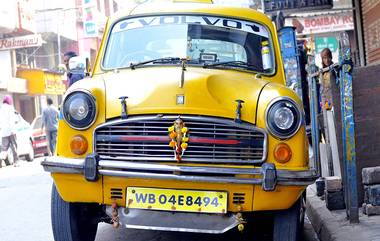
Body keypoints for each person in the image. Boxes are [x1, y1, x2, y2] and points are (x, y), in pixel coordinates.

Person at [0, 95, 19, 167]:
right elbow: (12, 119)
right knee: (14, 145)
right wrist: (12, 130)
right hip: (11, 130)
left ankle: (0, 160)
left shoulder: (1, 108)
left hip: (4, 131)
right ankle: (16, 162)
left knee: (4, 148)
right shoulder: (10, 108)